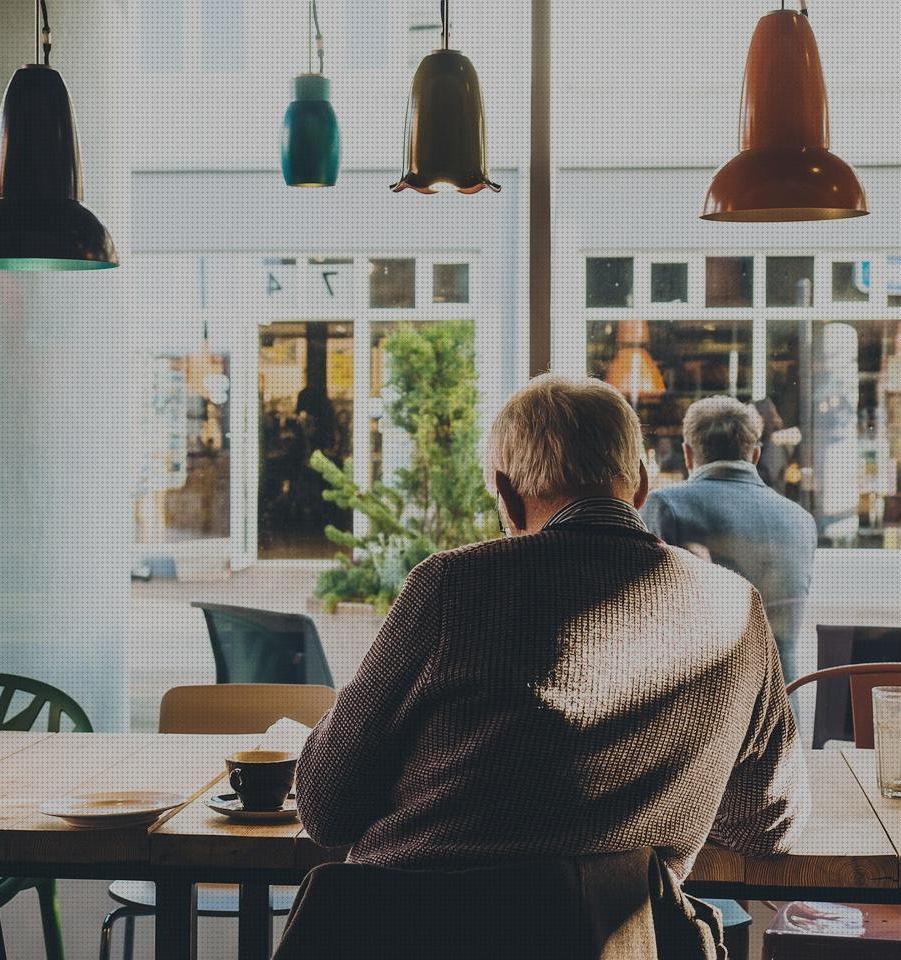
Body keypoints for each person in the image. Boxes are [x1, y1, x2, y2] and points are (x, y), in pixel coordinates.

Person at [296, 375, 807, 892]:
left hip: (410, 932)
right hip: (618, 942)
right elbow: (768, 824)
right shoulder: (736, 607)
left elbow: (326, 808)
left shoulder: (453, 586)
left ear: (509, 500)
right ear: (641, 484)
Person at [643, 396, 818, 683]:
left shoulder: (666, 506)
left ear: (688, 454)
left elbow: (649, 616)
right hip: (783, 713)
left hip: (704, 711)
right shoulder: (801, 520)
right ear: (756, 455)